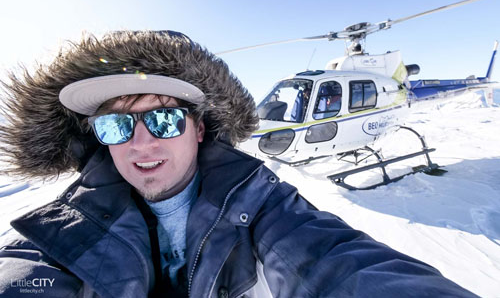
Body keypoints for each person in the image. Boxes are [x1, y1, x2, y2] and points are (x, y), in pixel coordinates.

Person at [0, 31, 476, 297]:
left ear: (201, 128)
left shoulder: (266, 207)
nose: (140, 142)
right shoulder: (52, 234)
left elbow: (338, 264)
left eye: (164, 118)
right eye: (116, 126)